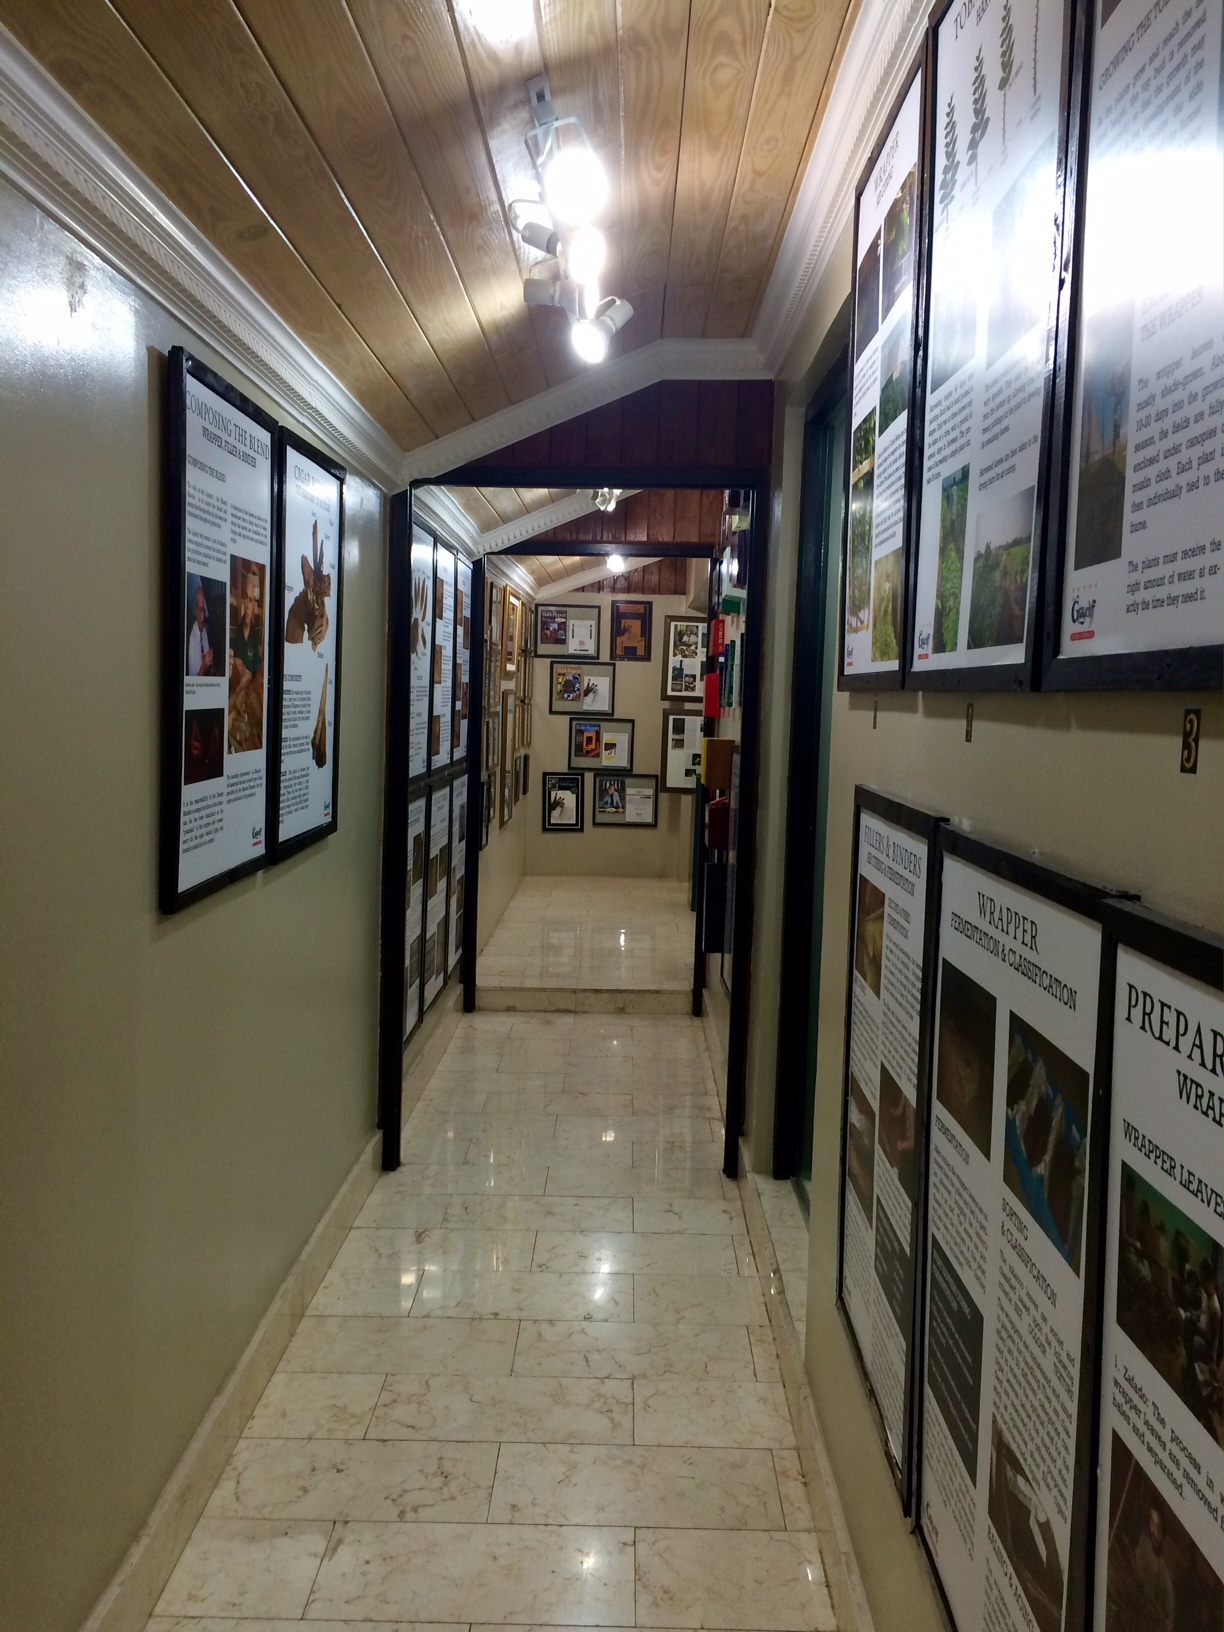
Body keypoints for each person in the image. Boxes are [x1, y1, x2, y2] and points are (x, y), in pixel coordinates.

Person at [1133, 1504, 1175, 1632]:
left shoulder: (1164, 1576)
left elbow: (1167, 1623)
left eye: (1158, 1526)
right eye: (1152, 1523)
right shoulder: (1143, 1545)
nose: (1154, 1530)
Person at [229, 569, 262, 684]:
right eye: (245, 599)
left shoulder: (255, 637)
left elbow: (256, 674)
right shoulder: (234, 634)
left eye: (251, 600)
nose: (247, 605)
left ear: (254, 605)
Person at [187, 584, 214, 676]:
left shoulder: (204, 632)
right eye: (200, 611)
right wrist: (204, 665)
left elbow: (208, 667)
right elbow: (193, 680)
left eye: (204, 611)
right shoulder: (191, 637)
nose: (203, 617)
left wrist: (209, 661)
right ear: (195, 611)